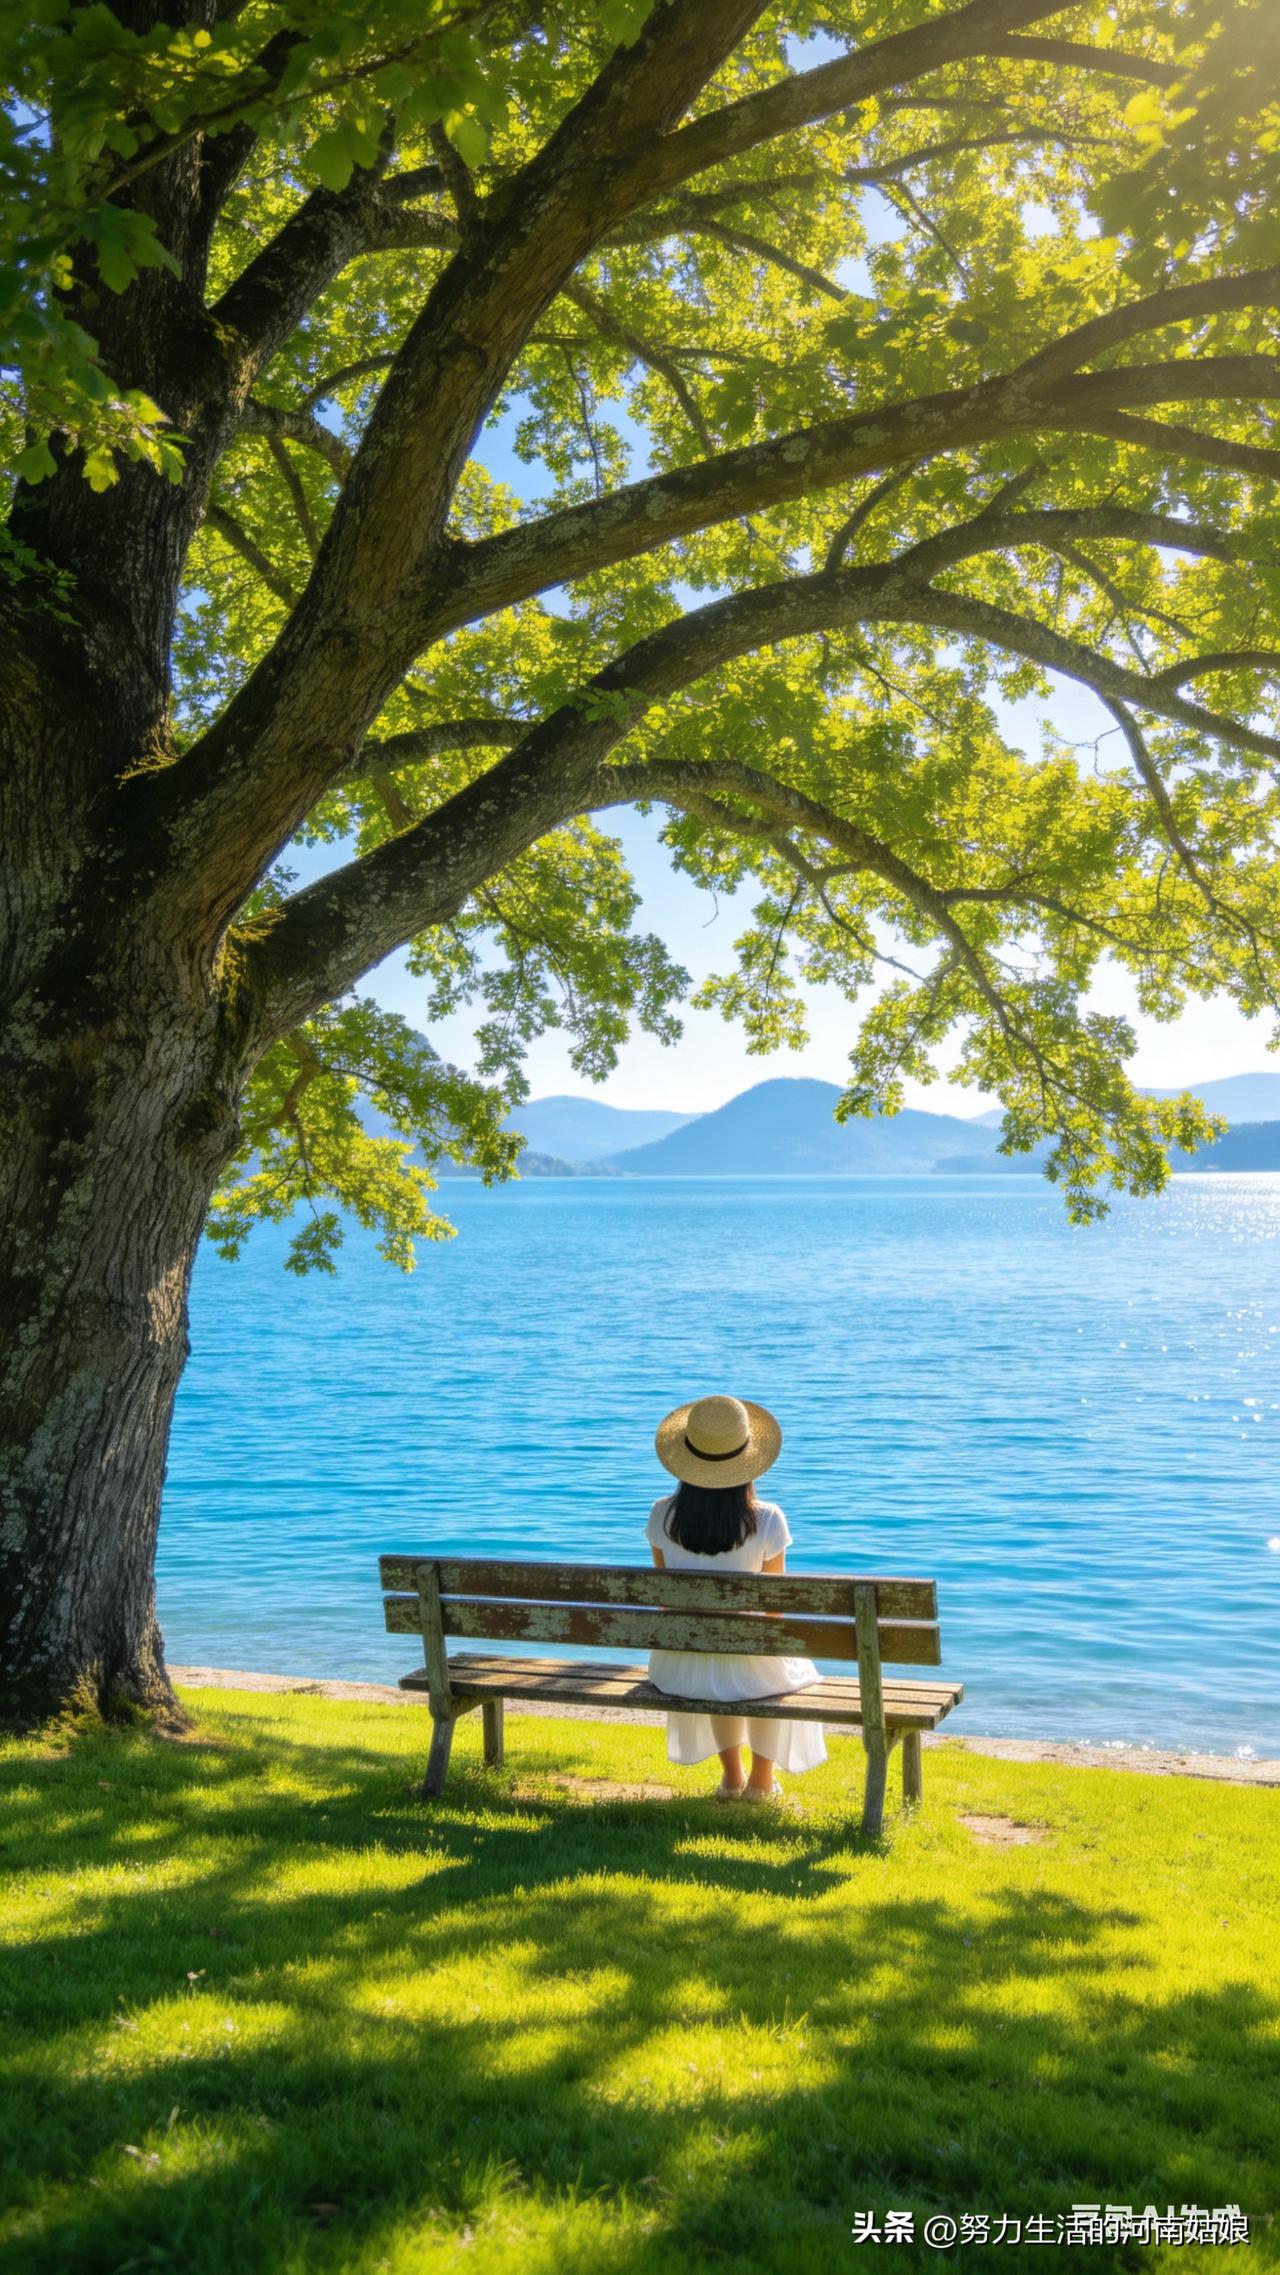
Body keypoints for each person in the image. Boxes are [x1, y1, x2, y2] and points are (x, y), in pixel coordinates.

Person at [645, 1393, 827, 1802]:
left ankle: (731, 1778)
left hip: (680, 1663)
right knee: (777, 1668)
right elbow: (775, 1609)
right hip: (742, 1654)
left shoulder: (661, 1515)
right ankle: (761, 1783)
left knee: (720, 1659)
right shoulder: (766, 1519)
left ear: (686, 1458)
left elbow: (662, 1600)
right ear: (748, 1459)